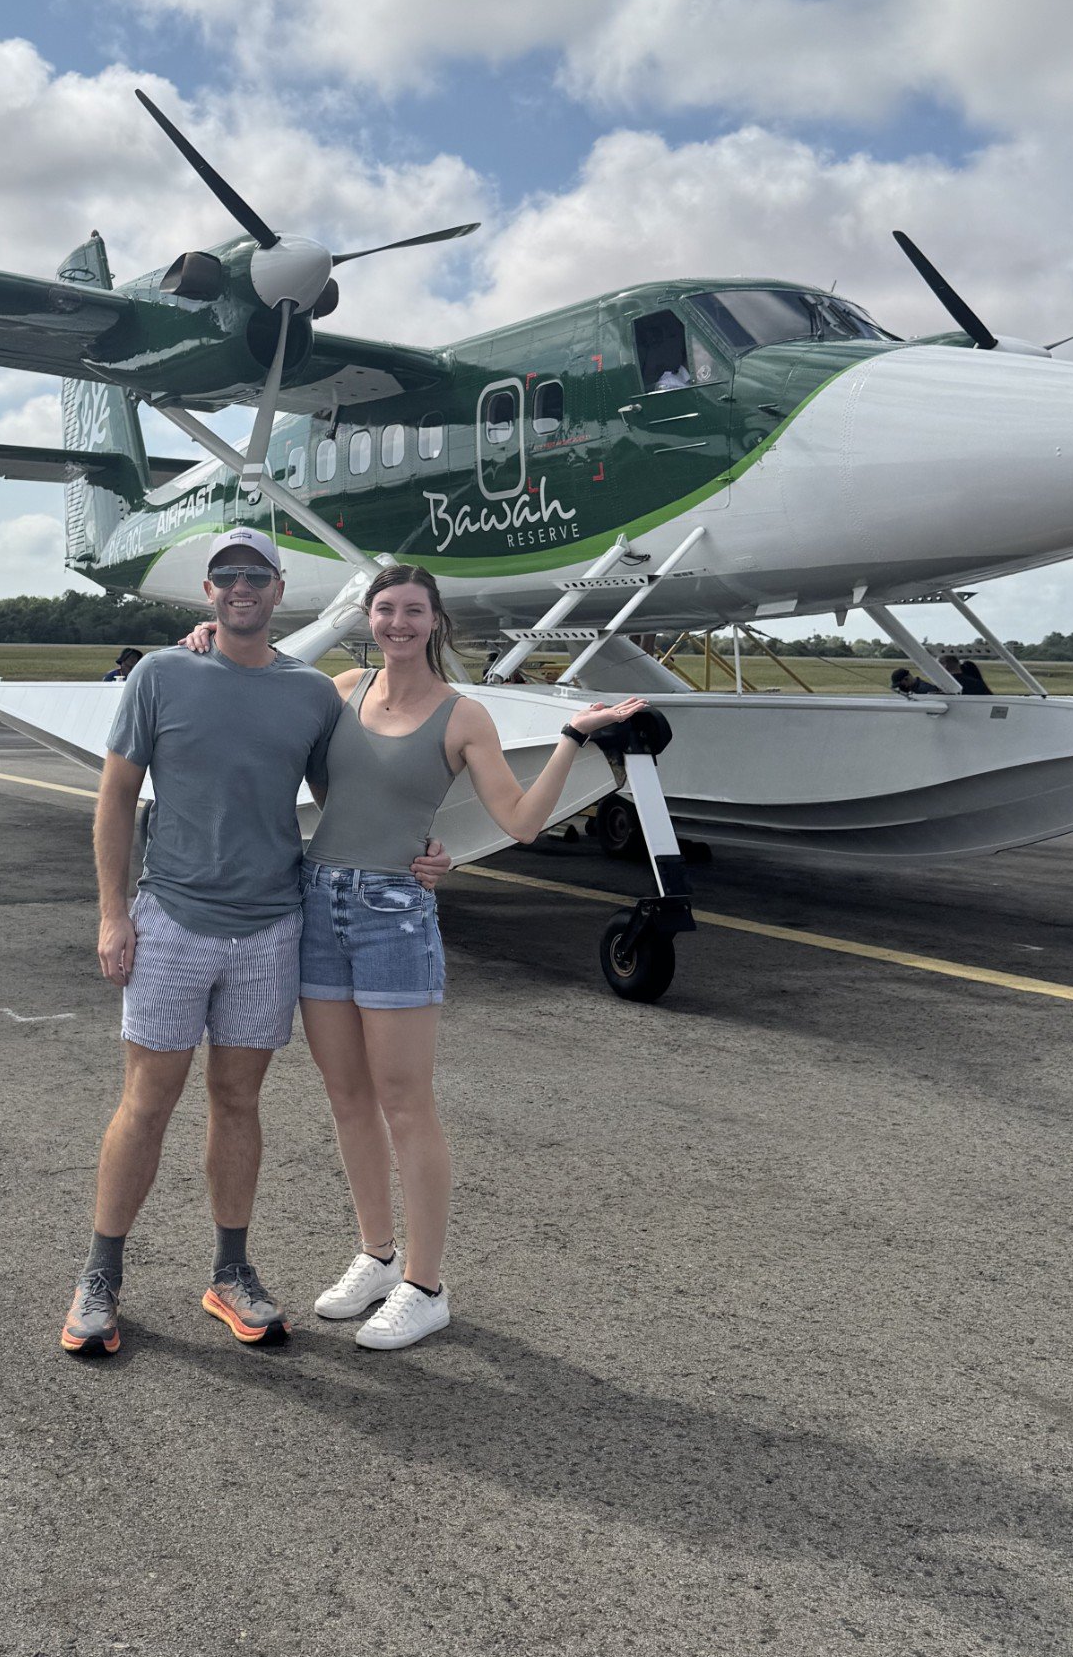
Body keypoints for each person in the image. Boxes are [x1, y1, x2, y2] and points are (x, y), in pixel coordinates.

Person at [189, 562, 646, 1353]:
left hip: (393, 917)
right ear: (369, 619)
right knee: (347, 1097)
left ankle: (426, 1285)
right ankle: (376, 1253)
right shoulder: (338, 692)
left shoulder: (463, 716)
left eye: (413, 611)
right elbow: (263, 702)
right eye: (384, 610)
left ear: (436, 622)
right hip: (318, 902)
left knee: (407, 1103)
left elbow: (522, 820)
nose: (397, 622)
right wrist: (209, 645)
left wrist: (574, 738)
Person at [61, 529, 447, 1360]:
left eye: (256, 576)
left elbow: (357, 796)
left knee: (238, 1102)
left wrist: (423, 849)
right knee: (147, 1100)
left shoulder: (311, 695)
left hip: (271, 926)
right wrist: (111, 912)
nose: (241, 588)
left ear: (278, 591)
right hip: (171, 919)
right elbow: (117, 795)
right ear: (208, 593)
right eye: (227, 576)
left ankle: (230, 1272)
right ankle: (100, 1276)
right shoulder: (161, 674)